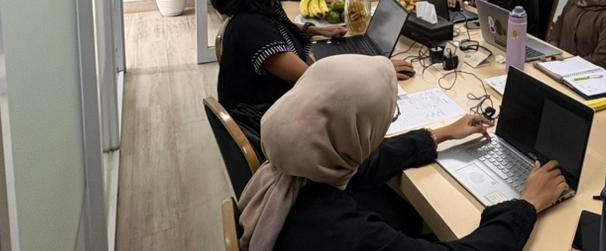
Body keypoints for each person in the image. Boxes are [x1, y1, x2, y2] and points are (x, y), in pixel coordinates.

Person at [238, 55, 570, 251]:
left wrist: (440, 134)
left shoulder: (296, 167)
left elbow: (367, 164)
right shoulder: (348, 234)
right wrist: (527, 205)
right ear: (353, 132)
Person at [212, 0, 412, 147]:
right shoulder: (251, 27)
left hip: (276, 113)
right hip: (270, 134)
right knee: (374, 137)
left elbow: (281, 30)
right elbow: (314, 79)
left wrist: (316, 31)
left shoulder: (260, 8)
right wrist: (378, 68)